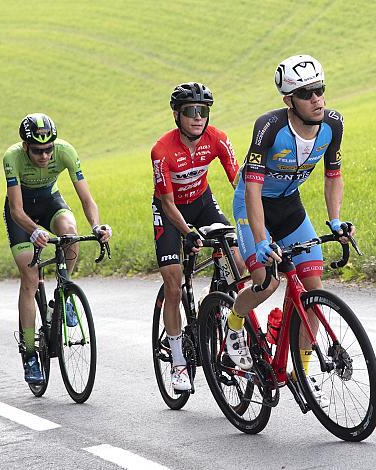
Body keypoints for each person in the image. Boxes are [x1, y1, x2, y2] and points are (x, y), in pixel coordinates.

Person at [227, 54, 354, 373]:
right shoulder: (269, 127)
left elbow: (333, 175)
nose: (316, 99)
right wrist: (260, 241)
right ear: (289, 100)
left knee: (314, 287)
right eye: (306, 93)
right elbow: (252, 188)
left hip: (288, 204)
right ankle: (234, 325)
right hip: (252, 202)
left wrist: (335, 219)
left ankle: (302, 373)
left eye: (320, 89)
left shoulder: (333, 125)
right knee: (266, 281)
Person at [3, 113, 112, 384]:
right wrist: (34, 230)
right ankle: (29, 353)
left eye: (49, 149)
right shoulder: (12, 158)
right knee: (29, 279)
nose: (44, 155)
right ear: (26, 146)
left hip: (49, 201)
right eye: (38, 150)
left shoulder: (65, 151)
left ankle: (62, 295)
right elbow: (16, 210)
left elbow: (86, 198)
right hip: (22, 214)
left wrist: (97, 226)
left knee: (70, 235)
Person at [151, 82, 244, 391]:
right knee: (173, 284)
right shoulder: (162, 151)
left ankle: (213, 306)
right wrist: (187, 233)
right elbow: (166, 202)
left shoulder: (217, 138)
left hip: (203, 203)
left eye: (202, 111)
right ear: (177, 115)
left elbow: (240, 183)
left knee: (239, 259)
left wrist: (255, 220)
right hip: (171, 211)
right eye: (190, 112)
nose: (197, 118)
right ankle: (179, 363)